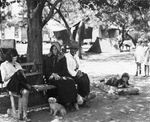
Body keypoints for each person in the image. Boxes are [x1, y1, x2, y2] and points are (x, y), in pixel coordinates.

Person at [43, 42, 79, 110]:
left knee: (70, 82)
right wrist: (53, 74)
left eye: (56, 49)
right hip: (51, 77)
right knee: (61, 83)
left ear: (58, 49)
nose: (54, 51)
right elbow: (47, 70)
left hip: (60, 75)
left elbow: (64, 70)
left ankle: (73, 101)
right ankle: (64, 102)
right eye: (53, 49)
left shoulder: (62, 57)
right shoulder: (48, 58)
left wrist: (58, 74)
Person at [0, 48, 32, 121]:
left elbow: (22, 76)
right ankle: (27, 85)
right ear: (9, 57)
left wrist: (22, 74)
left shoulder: (17, 64)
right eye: (13, 58)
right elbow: (4, 78)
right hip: (10, 85)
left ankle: (24, 115)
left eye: (16, 58)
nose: (15, 59)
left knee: (25, 92)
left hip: (19, 85)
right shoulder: (4, 65)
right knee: (17, 74)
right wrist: (14, 74)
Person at [65, 42, 95, 107]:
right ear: (70, 49)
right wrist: (76, 74)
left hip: (76, 73)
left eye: (75, 49)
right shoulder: (66, 57)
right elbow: (69, 69)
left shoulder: (76, 56)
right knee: (82, 80)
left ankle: (85, 95)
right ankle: (82, 98)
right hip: (70, 74)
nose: (73, 51)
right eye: (72, 49)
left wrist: (79, 72)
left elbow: (79, 66)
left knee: (85, 77)